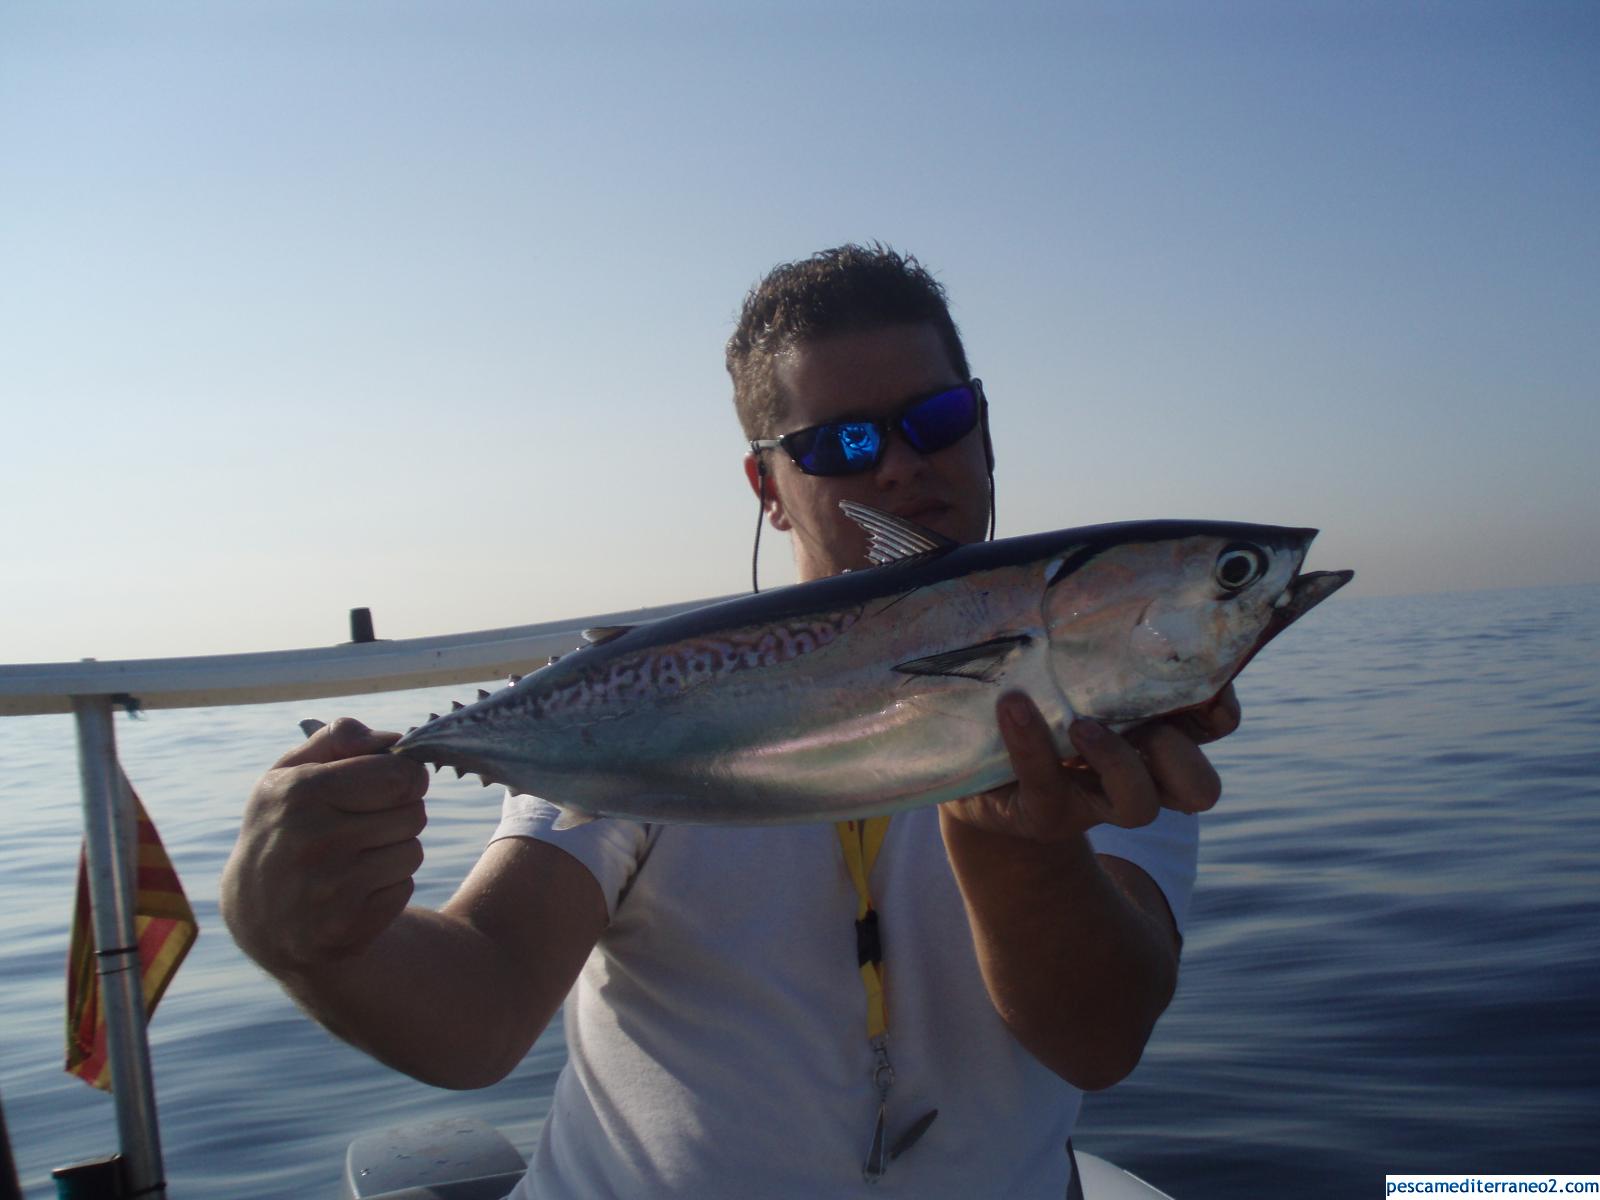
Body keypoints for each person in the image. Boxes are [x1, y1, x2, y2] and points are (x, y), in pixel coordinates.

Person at [221, 244, 1238, 1198]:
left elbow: (1098, 1043)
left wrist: (1020, 849)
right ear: (767, 486)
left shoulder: (1115, 705)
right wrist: (306, 939)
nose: (895, 468)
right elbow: (480, 1010)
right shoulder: (654, 694)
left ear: (982, 425)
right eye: (840, 443)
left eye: (933, 418)